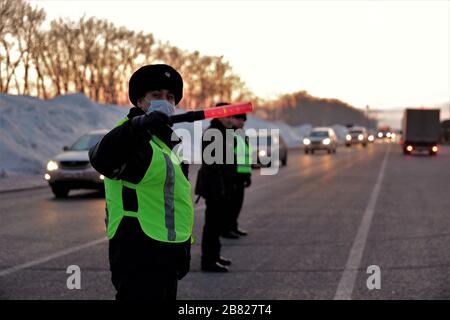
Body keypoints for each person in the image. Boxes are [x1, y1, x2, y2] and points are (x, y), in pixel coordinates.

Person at [89, 64, 193, 300]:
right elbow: (100, 158)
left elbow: (172, 201)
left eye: (170, 97)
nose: (164, 101)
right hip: (136, 249)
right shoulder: (129, 137)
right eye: (156, 95)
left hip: (165, 248)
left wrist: (182, 246)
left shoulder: (165, 143)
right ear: (139, 101)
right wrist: (136, 126)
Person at [195, 102, 235, 272]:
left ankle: (215, 255)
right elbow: (212, 165)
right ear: (218, 115)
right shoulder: (213, 133)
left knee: (217, 224)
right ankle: (208, 261)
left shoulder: (224, 133)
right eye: (227, 115)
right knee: (212, 225)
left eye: (232, 116)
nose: (230, 119)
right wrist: (219, 189)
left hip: (221, 185)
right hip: (214, 187)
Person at [227, 113, 252, 237]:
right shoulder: (230, 135)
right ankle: (227, 229)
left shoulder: (243, 135)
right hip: (234, 176)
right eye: (238, 119)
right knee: (231, 205)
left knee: (237, 204)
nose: (241, 122)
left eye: (243, 120)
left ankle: (233, 226)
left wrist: (248, 175)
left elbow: (246, 156)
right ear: (233, 119)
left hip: (242, 175)